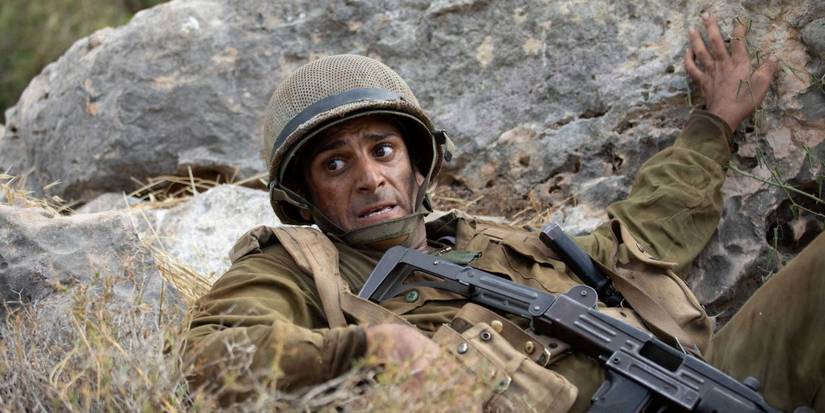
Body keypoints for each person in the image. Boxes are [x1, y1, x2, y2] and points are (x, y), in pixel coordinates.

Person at [182, 13, 825, 412]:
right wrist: (364, 347)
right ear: (305, 196)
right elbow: (209, 359)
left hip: (699, 388)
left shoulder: (494, 242)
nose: (371, 175)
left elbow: (640, 238)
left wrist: (713, 123)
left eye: (382, 150)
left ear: (418, 162)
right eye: (335, 164)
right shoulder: (299, 270)